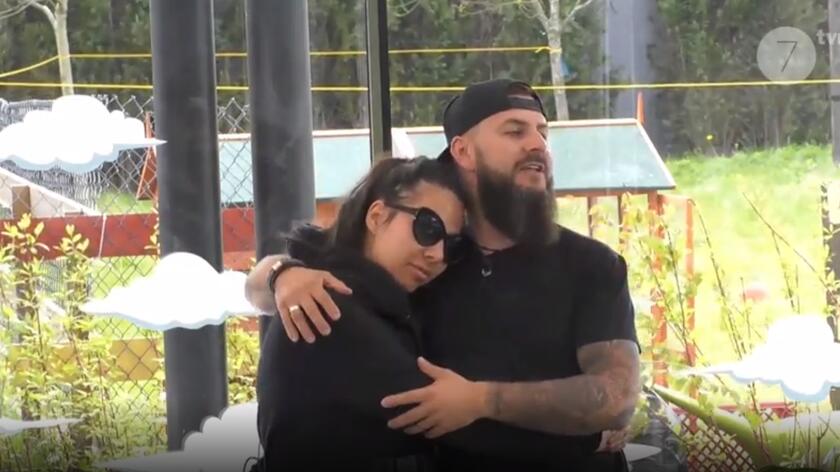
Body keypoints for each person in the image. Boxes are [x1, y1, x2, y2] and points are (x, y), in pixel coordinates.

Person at [247, 79, 641, 471]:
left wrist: (481, 400)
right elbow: (288, 267)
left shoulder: (592, 265)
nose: (537, 144)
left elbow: (618, 396)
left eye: (543, 132)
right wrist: (282, 274)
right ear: (463, 150)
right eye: (514, 131)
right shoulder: (398, 273)